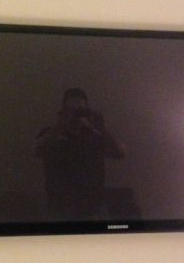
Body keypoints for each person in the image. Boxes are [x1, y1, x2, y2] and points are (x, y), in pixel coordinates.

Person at [35, 88, 125, 219]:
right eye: (71, 111)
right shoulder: (52, 134)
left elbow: (120, 153)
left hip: (93, 208)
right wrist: (60, 125)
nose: (76, 116)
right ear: (63, 112)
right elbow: (38, 151)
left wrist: (101, 127)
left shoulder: (95, 135)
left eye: (80, 111)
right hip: (60, 207)